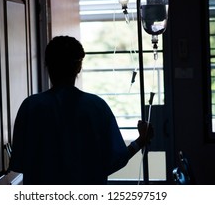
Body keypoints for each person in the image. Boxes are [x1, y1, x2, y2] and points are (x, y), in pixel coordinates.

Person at [9, 35, 153, 184]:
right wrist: (141, 141)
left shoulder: (30, 107)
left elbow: (19, 163)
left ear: (47, 65)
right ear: (79, 67)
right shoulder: (97, 108)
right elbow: (116, 160)